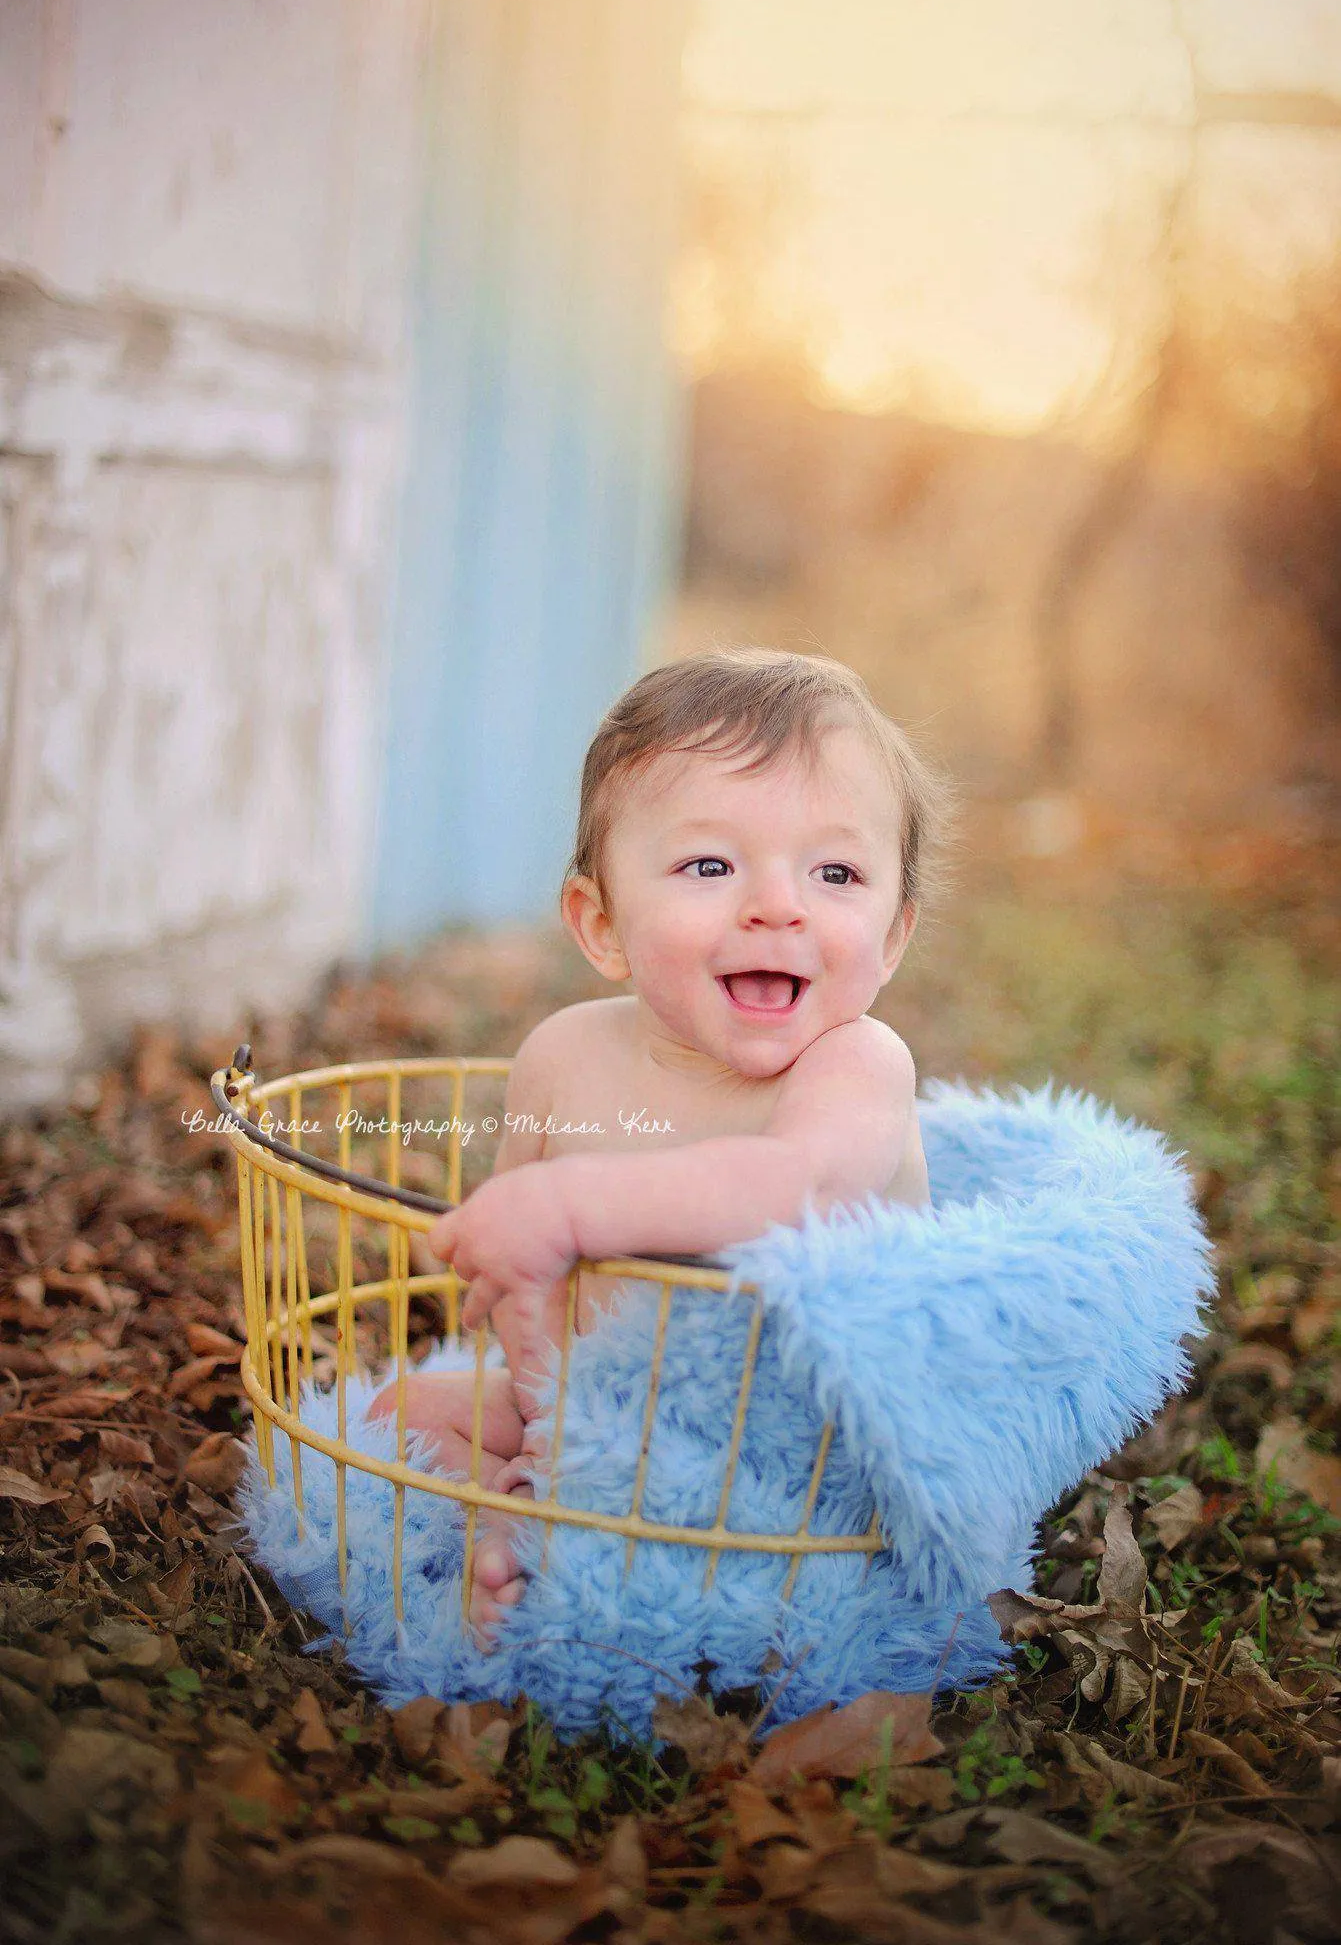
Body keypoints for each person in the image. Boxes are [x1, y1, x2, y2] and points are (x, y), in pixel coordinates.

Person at [367, 648, 950, 1645]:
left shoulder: (858, 1068)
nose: (778, 904)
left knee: (871, 1572)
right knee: (397, 1417)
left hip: (796, 1459)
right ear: (602, 926)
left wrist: (571, 1209)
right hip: (596, 1408)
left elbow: (788, 1183)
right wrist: (536, 1391)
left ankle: (857, 1678)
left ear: (892, 936)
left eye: (836, 872)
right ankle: (505, 1522)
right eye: (710, 866)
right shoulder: (561, 1055)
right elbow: (524, 1270)